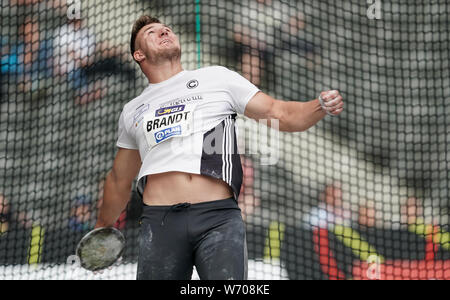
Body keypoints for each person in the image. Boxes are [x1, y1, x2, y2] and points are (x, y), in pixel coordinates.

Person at [94, 15, 344, 280]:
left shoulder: (217, 78)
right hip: (160, 223)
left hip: (217, 219)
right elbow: (119, 180)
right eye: (152, 32)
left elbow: (278, 112)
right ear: (139, 54)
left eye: (166, 28)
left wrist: (319, 105)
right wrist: (101, 229)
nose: (164, 31)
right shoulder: (133, 109)